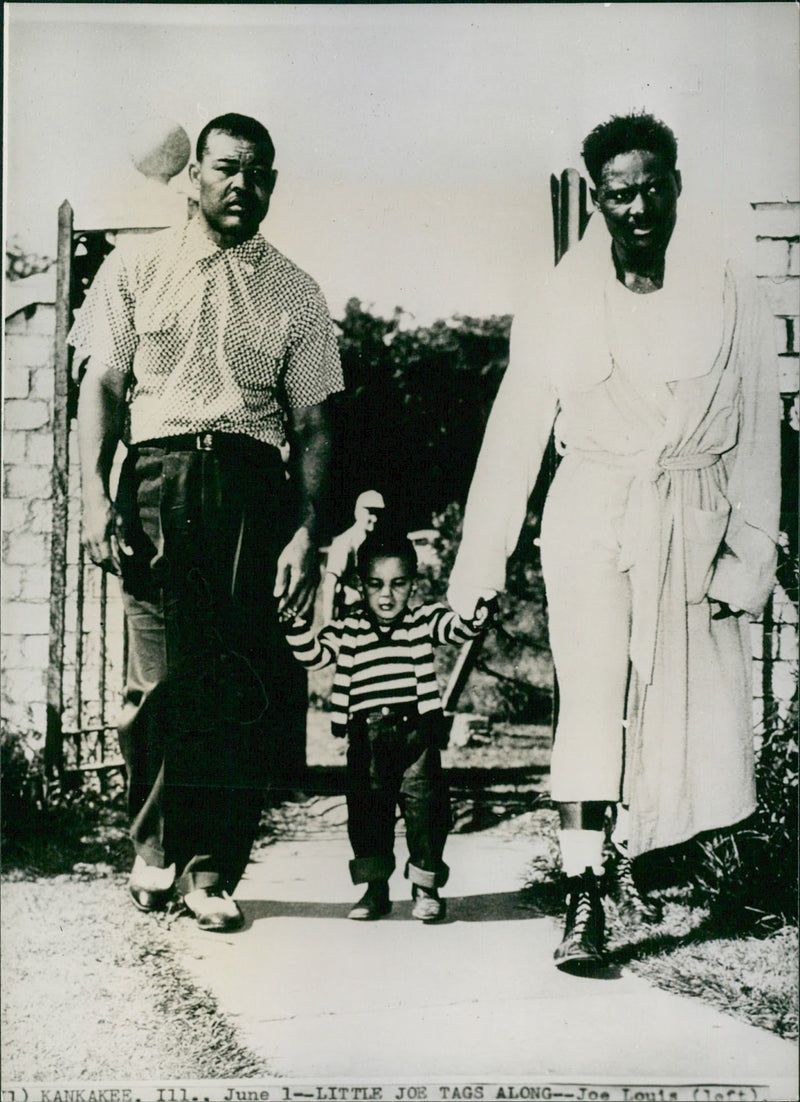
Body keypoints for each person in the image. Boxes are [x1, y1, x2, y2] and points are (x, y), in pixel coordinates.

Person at [447, 112, 780, 972]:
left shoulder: (731, 287)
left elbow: (757, 436)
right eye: (619, 193)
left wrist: (746, 558)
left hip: (692, 517)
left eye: (652, 188)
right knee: (592, 701)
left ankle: (704, 868)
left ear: (677, 185)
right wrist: (479, 565)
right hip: (592, 514)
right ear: (598, 199)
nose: (638, 208)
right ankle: (586, 891)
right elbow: (514, 433)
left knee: (702, 706)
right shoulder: (562, 299)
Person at [71, 113, 343, 932]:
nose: (242, 185)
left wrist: (305, 533)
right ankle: (153, 848)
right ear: (192, 175)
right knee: (160, 678)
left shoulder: (296, 290)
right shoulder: (135, 266)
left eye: (259, 173)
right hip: (157, 479)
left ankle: (211, 871)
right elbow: (105, 390)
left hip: (254, 487)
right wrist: (93, 494)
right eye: (226, 168)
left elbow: (318, 427)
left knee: (238, 687)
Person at [283, 528, 490, 922]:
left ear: (413, 585)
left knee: (426, 809)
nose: (386, 595)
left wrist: (475, 617)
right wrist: (295, 624)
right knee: (367, 811)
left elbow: (455, 627)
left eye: (398, 584)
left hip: (418, 738)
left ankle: (425, 887)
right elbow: (313, 655)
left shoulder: (421, 621)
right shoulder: (349, 629)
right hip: (367, 736)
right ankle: (374, 890)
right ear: (361, 585)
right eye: (376, 584)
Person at [321, 489, 385, 622]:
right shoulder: (344, 542)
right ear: (358, 512)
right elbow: (329, 585)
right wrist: (328, 624)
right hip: (351, 611)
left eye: (378, 513)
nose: (374, 518)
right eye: (369, 512)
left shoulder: (379, 543)